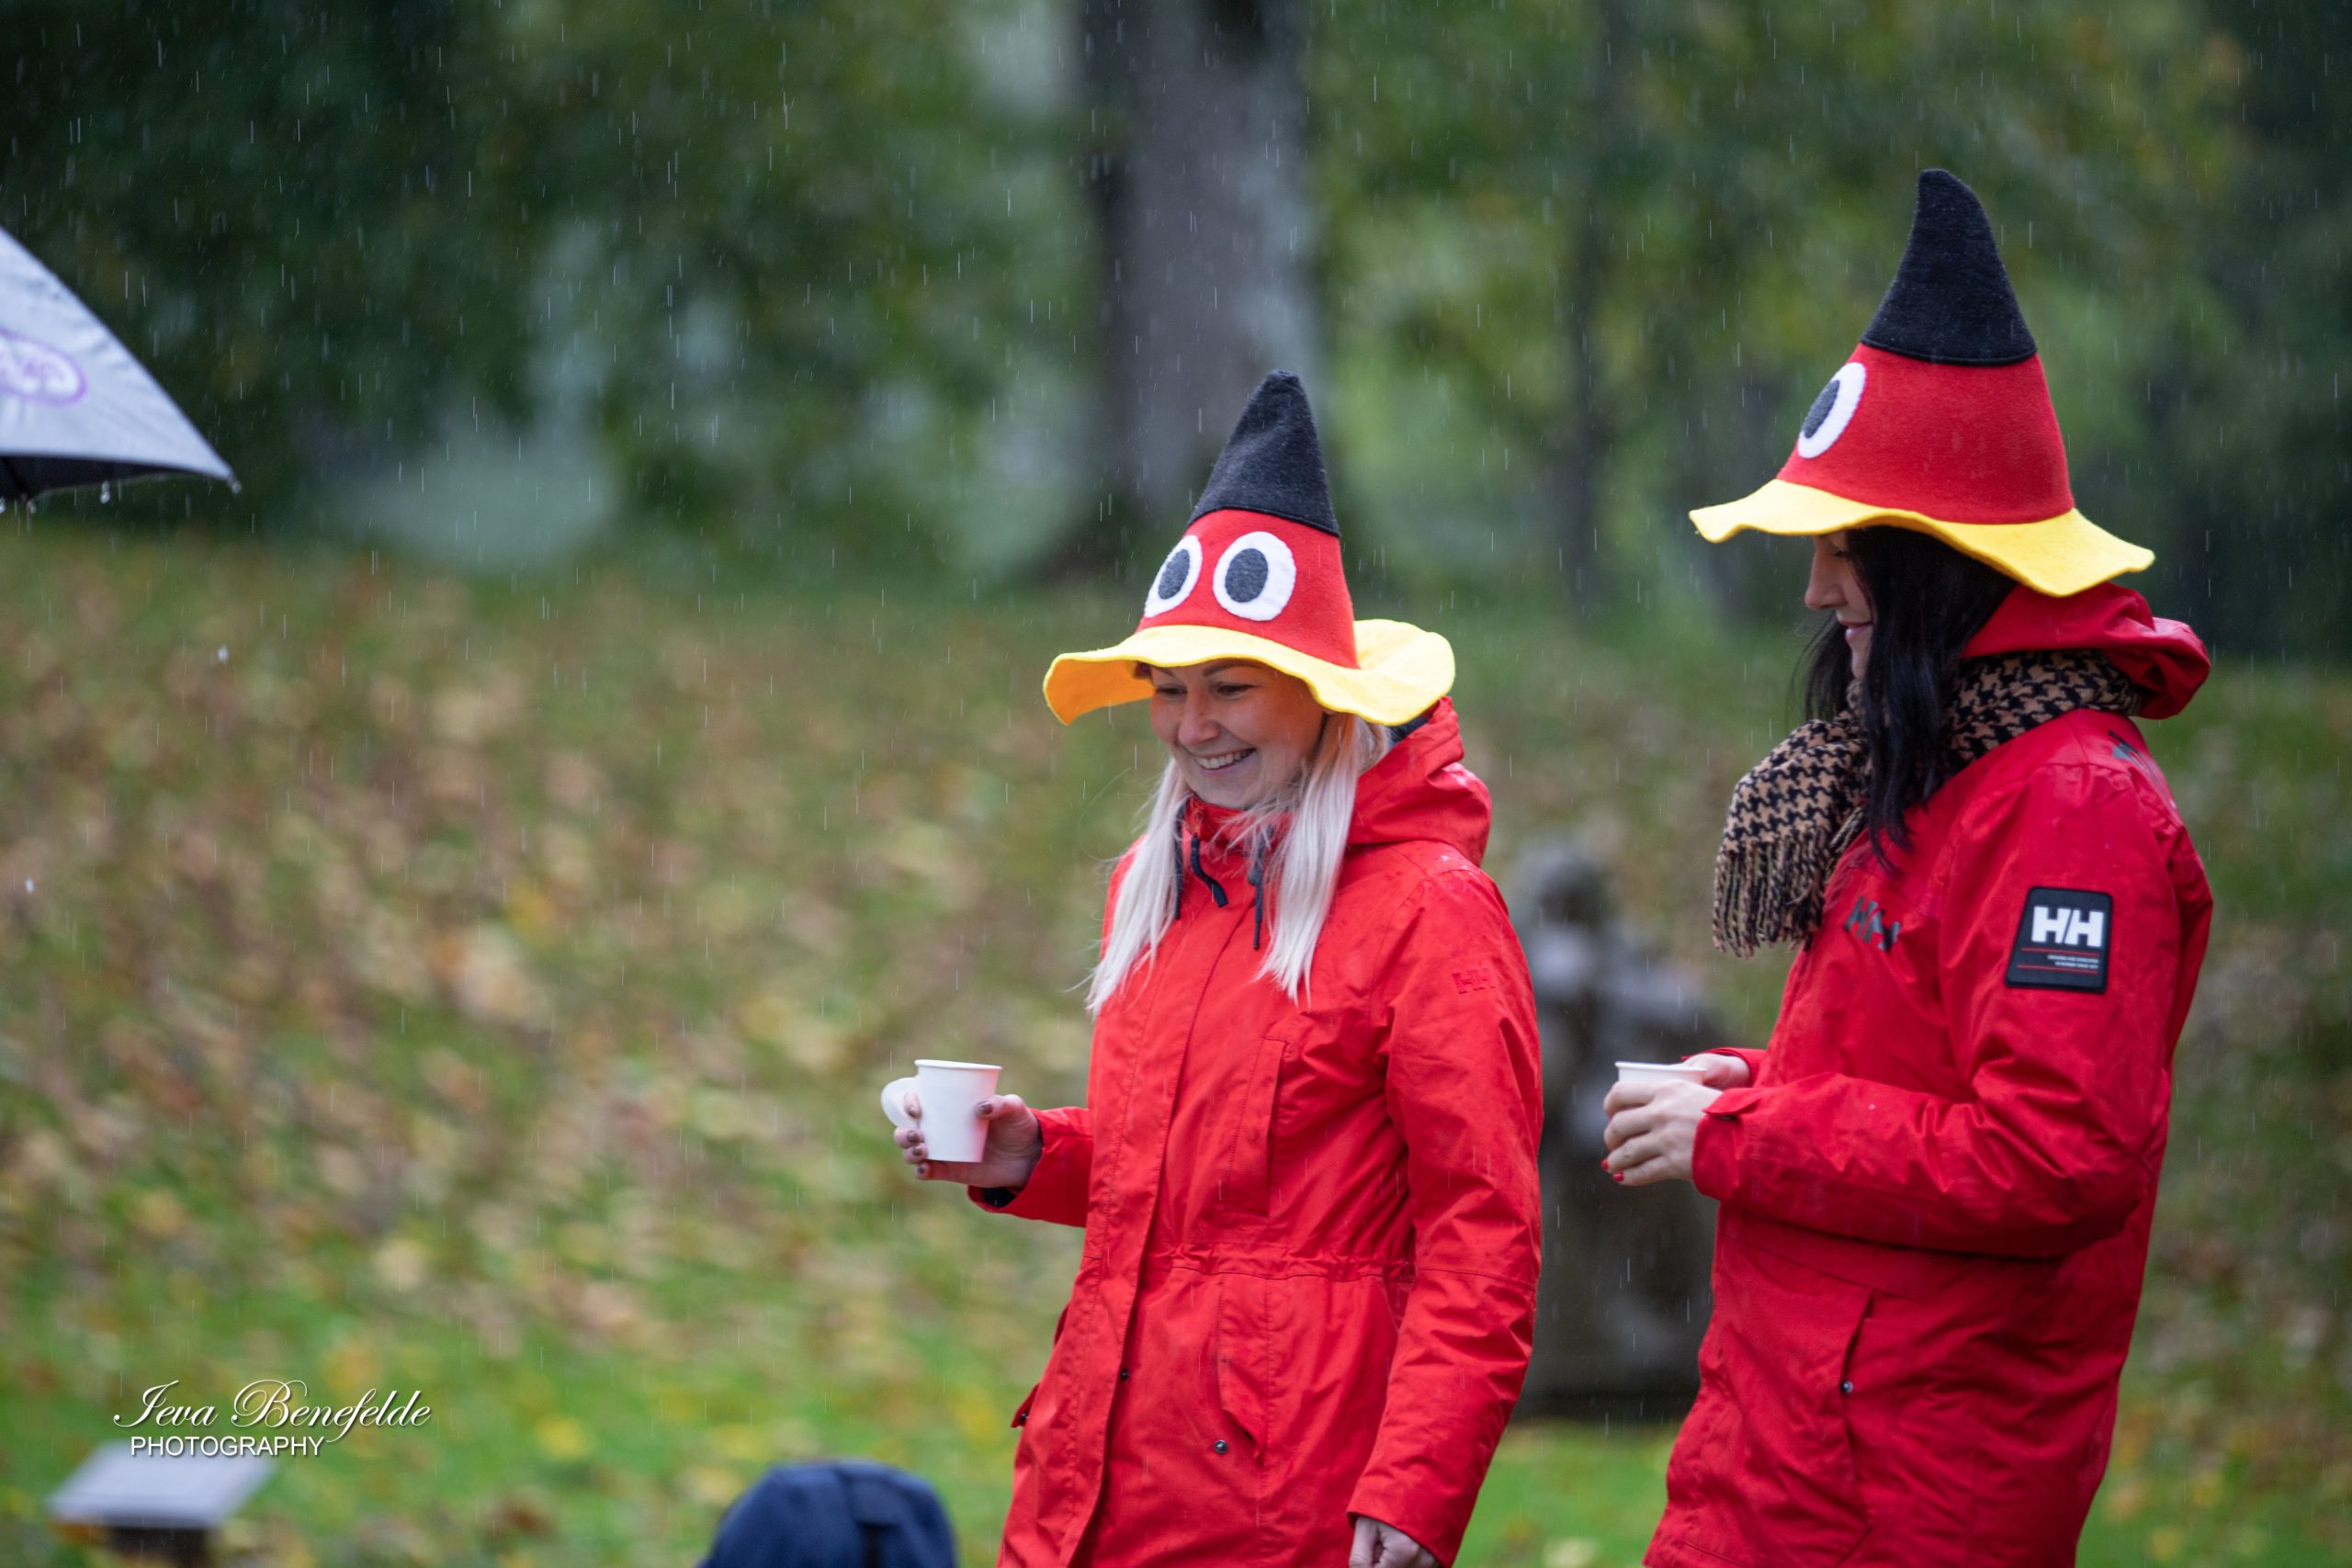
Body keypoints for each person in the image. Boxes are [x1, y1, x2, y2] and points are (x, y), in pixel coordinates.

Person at [1602, 171, 2214, 1567]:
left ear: (1943, 564)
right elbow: (1916, 1077)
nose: (1818, 590)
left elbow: (2050, 1160)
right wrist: (1744, 1083)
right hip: (1792, 1450)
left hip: (1908, 1486)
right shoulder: (1943, 765)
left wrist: (1746, 1137)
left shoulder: (2070, 807)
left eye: (1846, 550)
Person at [891, 372, 1543, 1568]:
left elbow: (1482, 1232)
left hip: (1283, 1505)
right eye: (1168, 689)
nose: (1193, 727)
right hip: (1092, 1482)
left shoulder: (1431, 912)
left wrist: (1417, 1480)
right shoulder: (1157, 884)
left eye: (1231, 688)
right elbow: (1194, 1190)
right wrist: (1031, 1154)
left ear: (1321, 695)